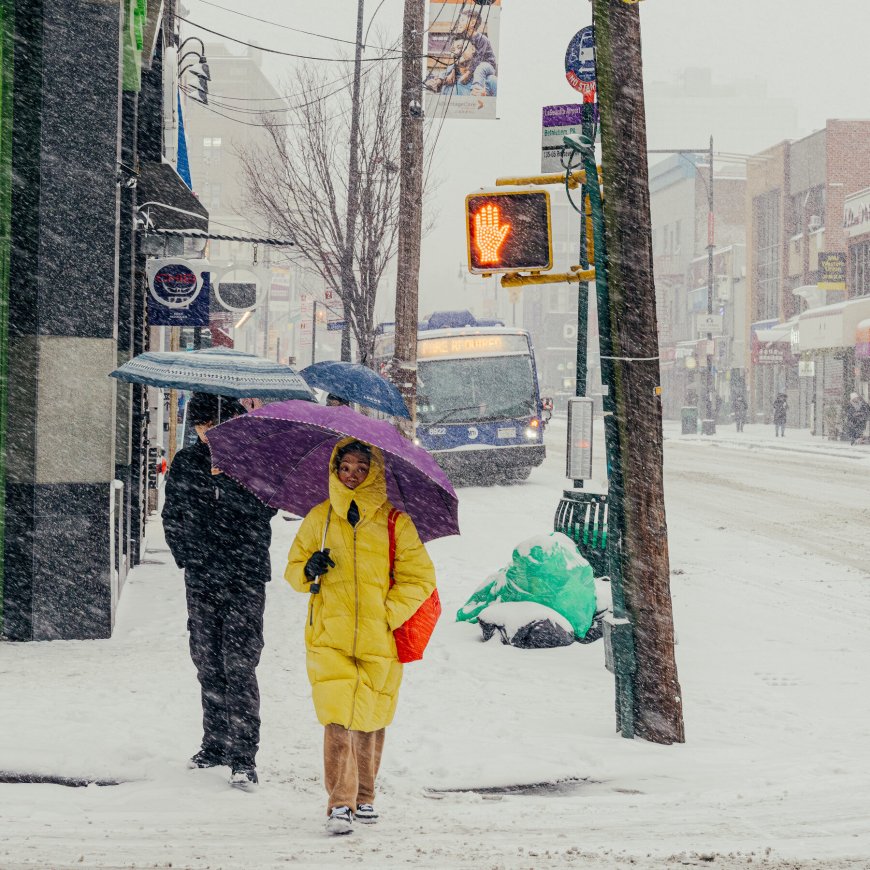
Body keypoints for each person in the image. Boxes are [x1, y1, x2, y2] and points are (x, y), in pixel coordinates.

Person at [285, 438, 437, 835]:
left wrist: (386, 615)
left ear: (374, 472)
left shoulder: (395, 523)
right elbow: (293, 570)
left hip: (378, 638)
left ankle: (365, 795)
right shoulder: (319, 518)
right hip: (329, 634)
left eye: (359, 467)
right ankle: (340, 802)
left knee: (370, 717)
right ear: (334, 470)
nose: (351, 474)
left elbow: (419, 578)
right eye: (344, 466)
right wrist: (309, 570)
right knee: (338, 716)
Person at [162, 392, 276, 791]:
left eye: (215, 423)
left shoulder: (253, 459)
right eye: (201, 423)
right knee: (207, 660)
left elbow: (264, 511)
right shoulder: (186, 462)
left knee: (239, 664)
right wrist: (189, 556)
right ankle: (215, 743)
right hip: (202, 576)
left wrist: (225, 483)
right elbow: (172, 514)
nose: (207, 431)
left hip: (244, 576)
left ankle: (244, 756)